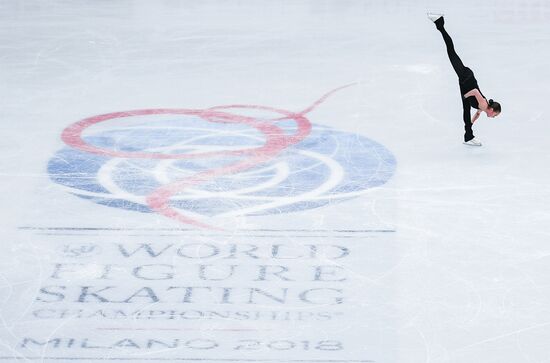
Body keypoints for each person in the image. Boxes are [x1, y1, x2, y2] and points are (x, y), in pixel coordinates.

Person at [428, 14, 501, 146]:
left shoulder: (483, 108)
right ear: (491, 110)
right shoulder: (484, 104)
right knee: (451, 52)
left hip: (466, 80)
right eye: (495, 115)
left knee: (466, 112)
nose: (494, 117)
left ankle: (468, 135)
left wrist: (471, 123)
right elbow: (475, 92)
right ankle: (440, 23)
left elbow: (477, 114)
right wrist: (464, 95)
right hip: (466, 78)